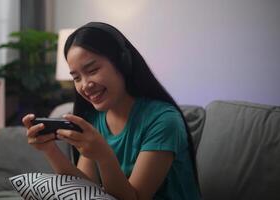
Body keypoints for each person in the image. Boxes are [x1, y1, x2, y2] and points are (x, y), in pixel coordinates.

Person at [22, 22, 201, 200]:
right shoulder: (95, 119)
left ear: (122, 62)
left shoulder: (163, 120)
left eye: (92, 70)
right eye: (76, 77)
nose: (85, 85)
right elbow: (86, 190)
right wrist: (50, 150)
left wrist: (104, 156)